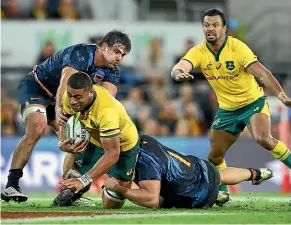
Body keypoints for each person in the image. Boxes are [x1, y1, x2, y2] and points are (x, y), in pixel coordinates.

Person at [1, 30, 131, 202]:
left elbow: (106, 101)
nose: (119, 58)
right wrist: (62, 128)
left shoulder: (112, 70)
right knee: (38, 126)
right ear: (103, 46)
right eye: (116, 51)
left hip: (66, 99)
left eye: (123, 54)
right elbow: (65, 86)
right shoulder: (81, 54)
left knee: (80, 142)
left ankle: (67, 191)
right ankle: (11, 185)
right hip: (37, 87)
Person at [170, 8, 291, 193]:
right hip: (227, 110)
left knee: (263, 138)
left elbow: (261, 72)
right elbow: (181, 65)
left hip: (253, 103)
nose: (210, 28)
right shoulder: (199, 51)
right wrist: (178, 72)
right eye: (206, 25)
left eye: (215, 25)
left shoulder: (237, 47)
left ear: (224, 28)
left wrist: (280, 94)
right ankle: (223, 194)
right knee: (215, 156)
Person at [104, 135, 273, 209]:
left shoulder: (147, 161)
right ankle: (255, 173)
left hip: (194, 193)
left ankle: (218, 195)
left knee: (161, 201)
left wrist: (120, 190)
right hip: (192, 167)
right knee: (218, 175)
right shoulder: (145, 139)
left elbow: (151, 200)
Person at [55, 71, 140, 209]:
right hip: (96, 139)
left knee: (112, 204)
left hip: (124, 146)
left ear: (90, 92)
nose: (73, 101)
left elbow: (113, 153)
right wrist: (61, 141)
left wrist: (84, 180)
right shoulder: (69, 97)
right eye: (70, 96)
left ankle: (113, 184)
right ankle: (70, 194)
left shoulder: (106, 111)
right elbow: (64, 118)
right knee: (73, 156)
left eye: (78, 97)